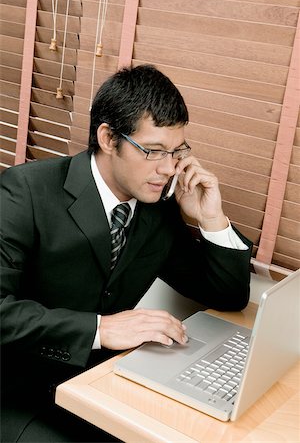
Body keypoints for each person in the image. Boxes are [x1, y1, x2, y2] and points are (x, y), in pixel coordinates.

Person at [0, 64, 252, 442]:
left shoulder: (157, 208)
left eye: (176, 151)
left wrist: (211, 218)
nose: (168, 169)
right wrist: (101, 328)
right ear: (107, 138)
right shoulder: (25, 192)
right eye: (152, 151)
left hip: (98, 382)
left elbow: (228, 296)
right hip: (16, 389)